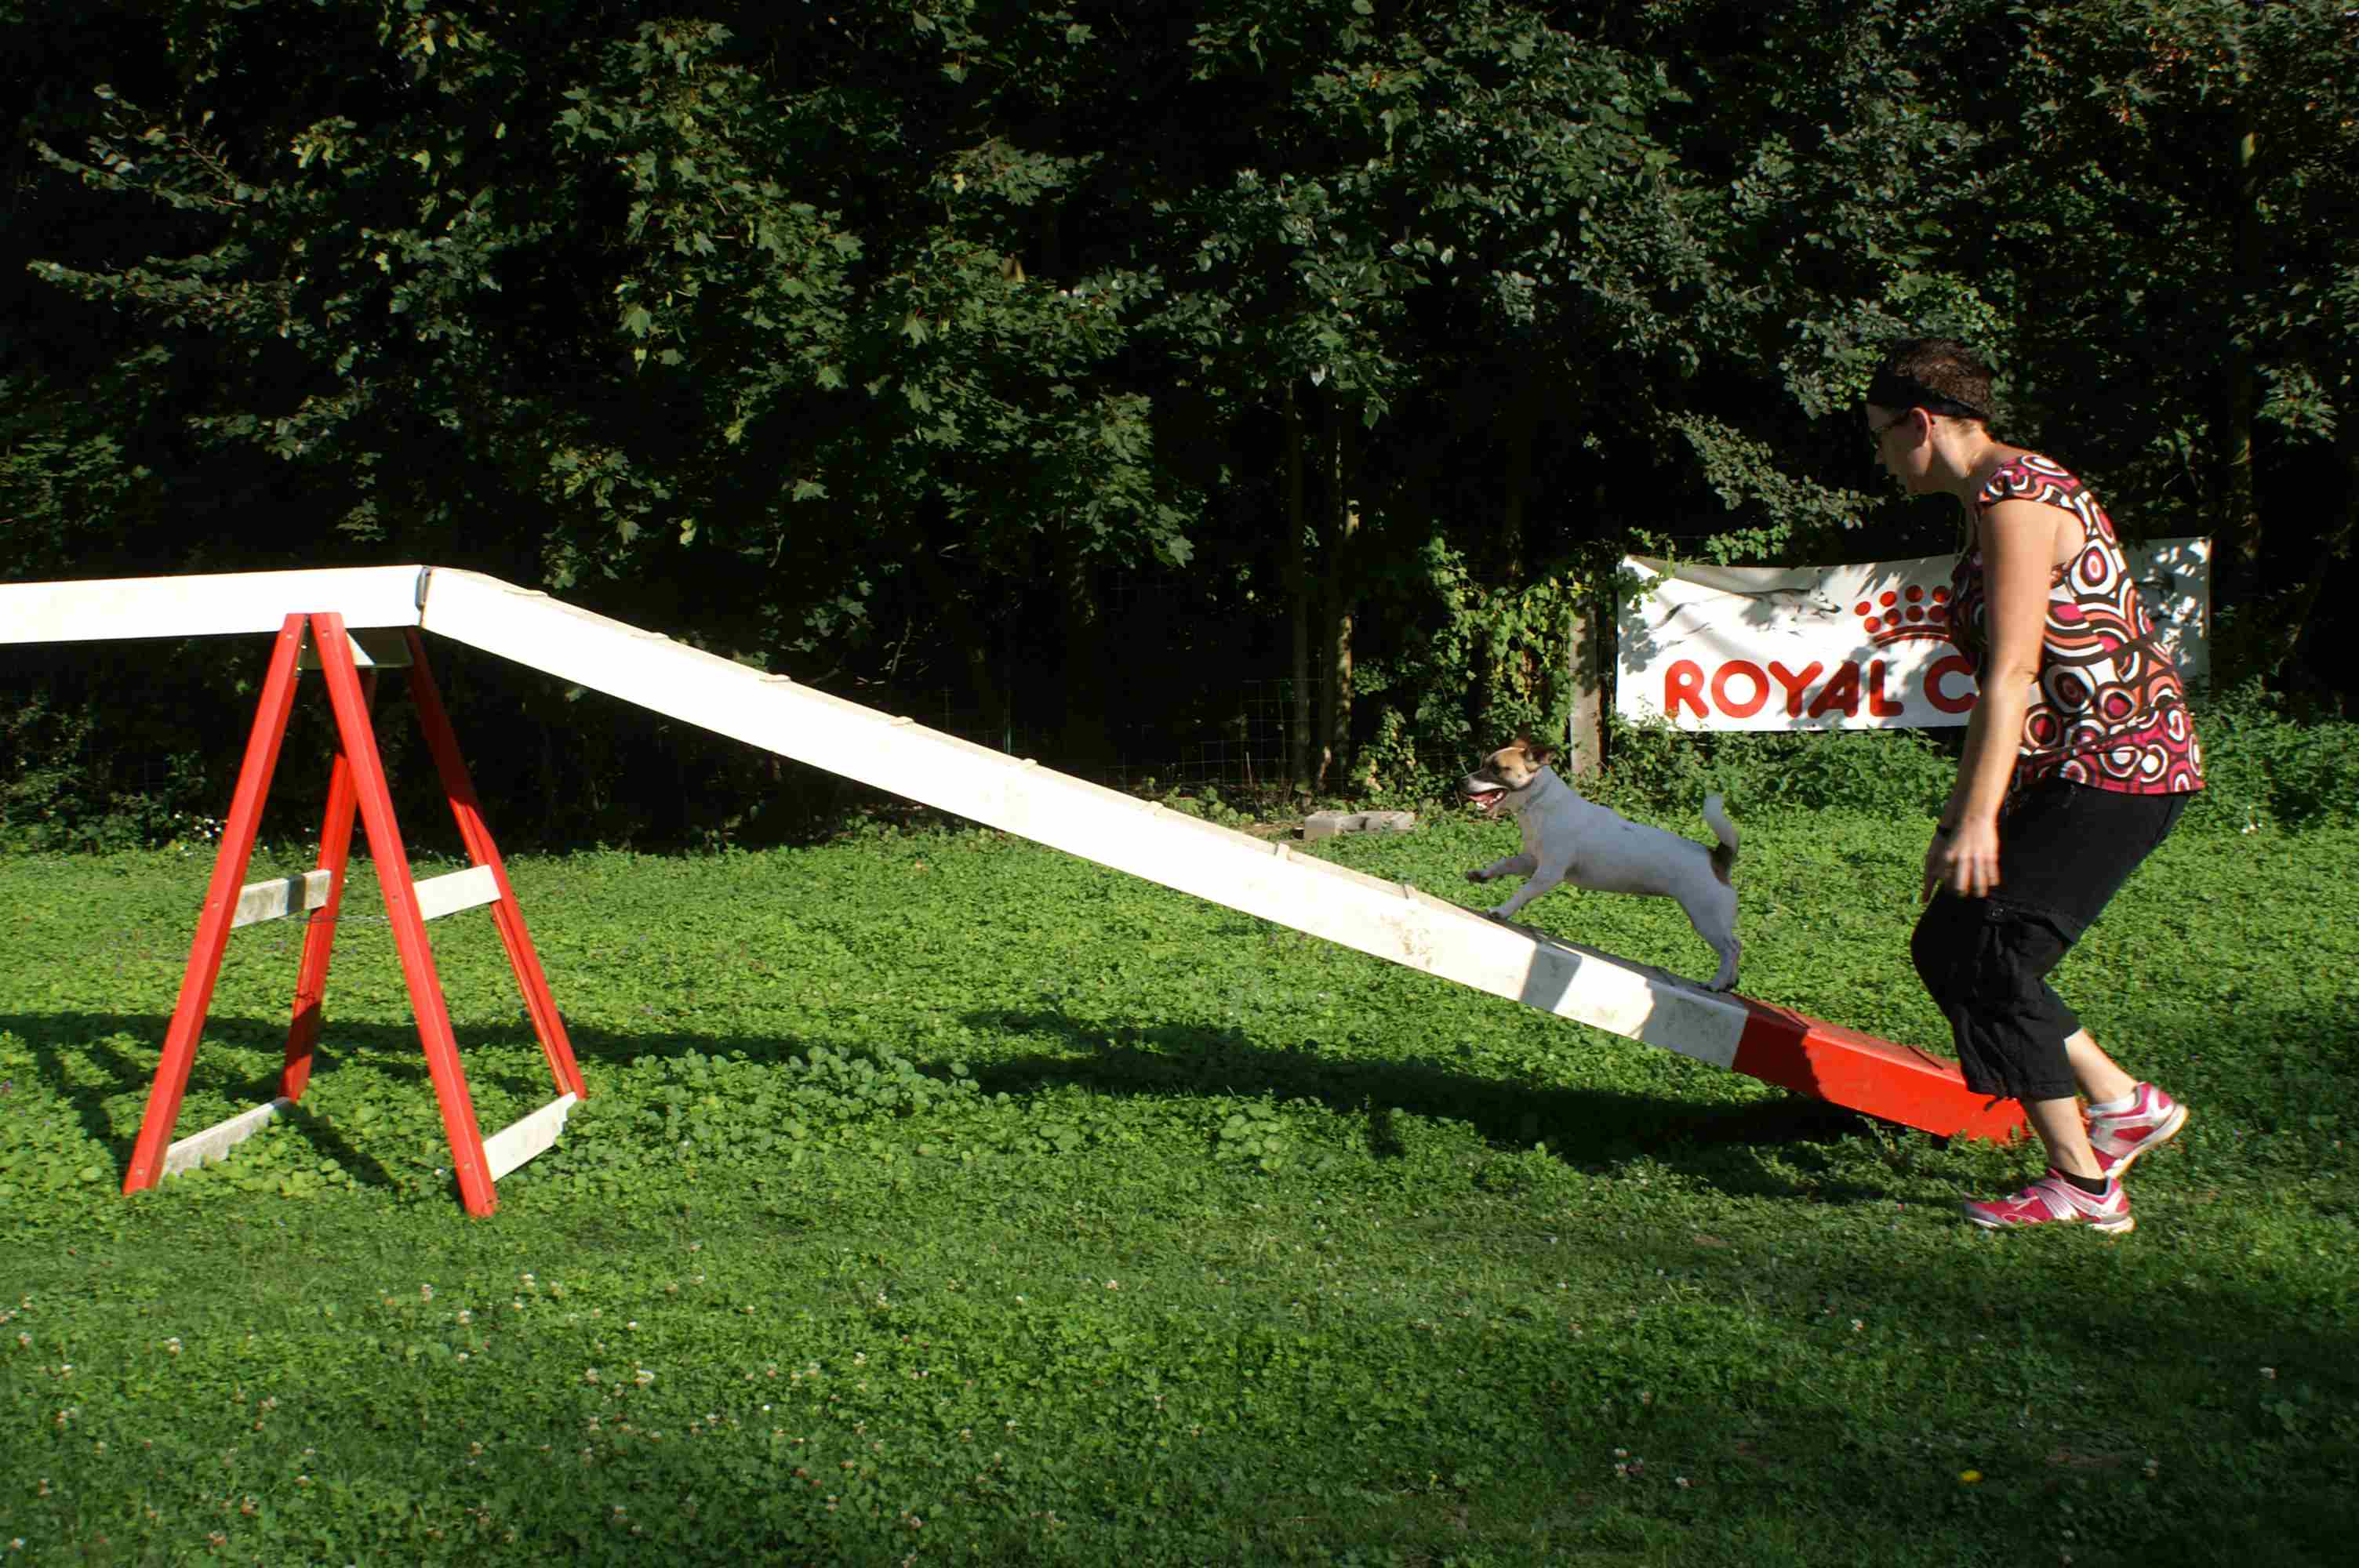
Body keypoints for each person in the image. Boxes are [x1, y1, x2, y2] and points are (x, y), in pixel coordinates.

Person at [1864, 337, 2205, 1233]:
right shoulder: (1993, 498)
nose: (1880, 457)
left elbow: (2011, 670)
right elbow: (2002, 681)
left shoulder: (2019, 496)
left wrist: (1980, 817)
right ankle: (2119, 1103)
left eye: (1880, 435)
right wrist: (1956, 816)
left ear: (1920, 423)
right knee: (1951, 945)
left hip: (2117, 764)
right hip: (2073, 766)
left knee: (1989, 954)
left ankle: (2083, 1183)